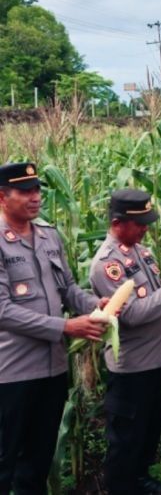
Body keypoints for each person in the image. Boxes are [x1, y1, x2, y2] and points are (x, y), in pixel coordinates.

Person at [0, 162, 108, 494]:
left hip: (52, 370)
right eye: (25, 191)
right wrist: (64, 326)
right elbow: (3, 311)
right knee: (4, 460)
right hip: (12, 372)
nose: (35, 197)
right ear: (3, 196)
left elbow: (68, 290)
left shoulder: (49, 236)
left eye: (37, 190)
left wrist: (95, 304)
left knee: (38, 458)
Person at [89, 189, 161, 494]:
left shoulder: (142, 251)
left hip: (155, 359)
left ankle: (139, 478)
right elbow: (134, 315)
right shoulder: (106, 265)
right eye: (139, 224)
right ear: (117, 223)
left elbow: (156, 301)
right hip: (131, 367)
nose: (146, 228)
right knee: (125, 437)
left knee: (149, 427)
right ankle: (121, 487)